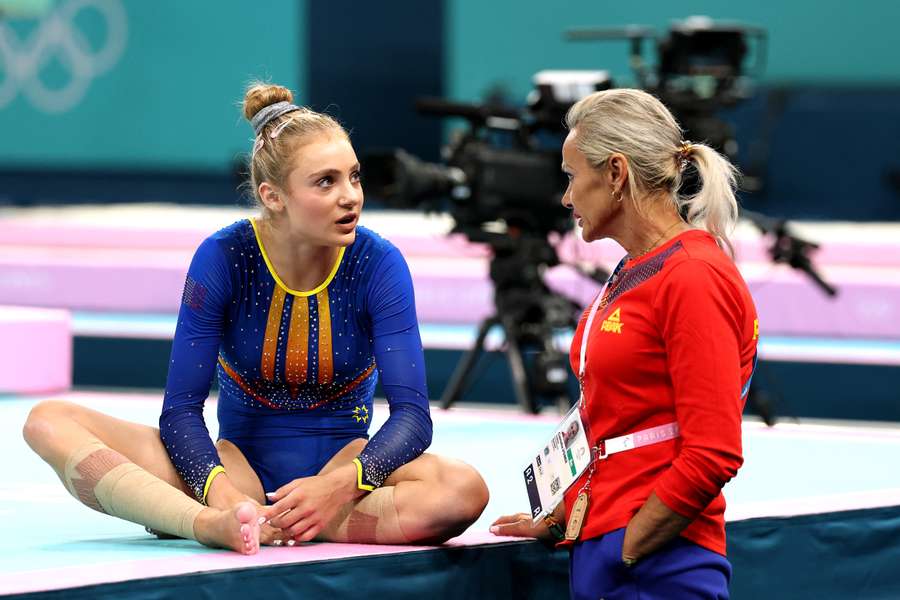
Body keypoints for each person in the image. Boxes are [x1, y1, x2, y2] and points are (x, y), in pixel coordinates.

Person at [23, 83, 489, 555]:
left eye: (354, 176)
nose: (350, 196)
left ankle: (272, 522)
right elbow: (181, 411)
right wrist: (220, 496)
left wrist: (340, 487)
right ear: (273, 195)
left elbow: (413, 418)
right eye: (325, 182)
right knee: (48, 421)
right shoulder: (224, 256)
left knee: (463, 489)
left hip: (343, 473)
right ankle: (210, 524)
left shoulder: (379, 264)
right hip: (234, 470)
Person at [491, 88, 758, 599]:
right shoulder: (634, 269)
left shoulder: (694, 277)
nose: (566, 198)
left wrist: (629, 547)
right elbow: (618, 419)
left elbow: (714, 451)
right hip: (608, 549)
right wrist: (563, 518)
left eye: (571, 178)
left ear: (615, 173)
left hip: (661, 567)